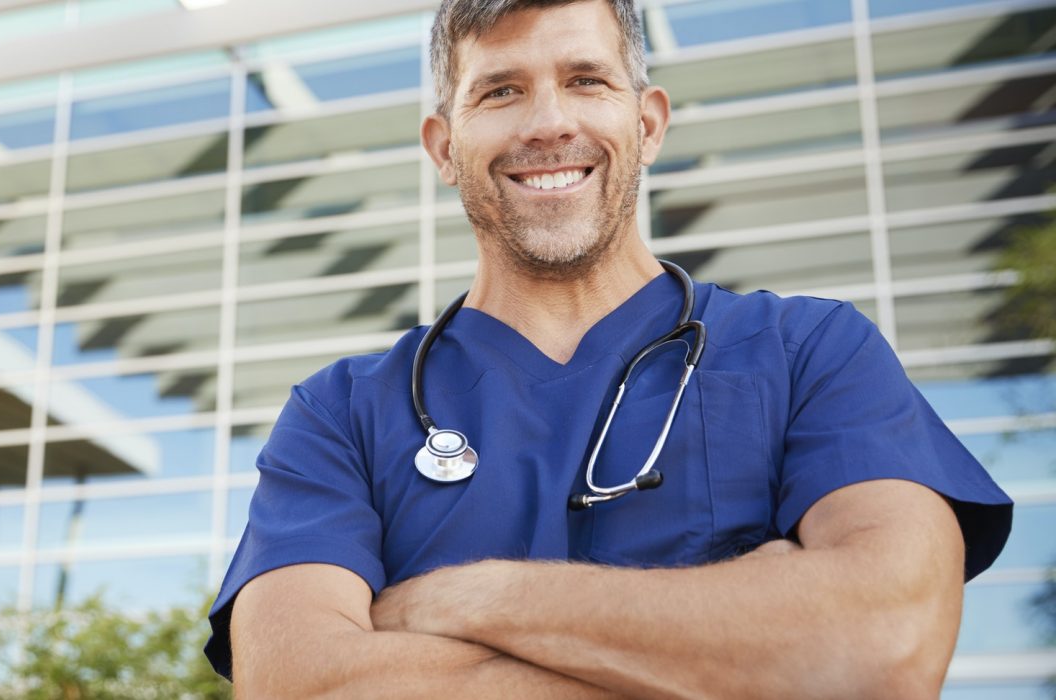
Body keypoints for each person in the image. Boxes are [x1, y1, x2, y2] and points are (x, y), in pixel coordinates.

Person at [205, 0, 1013, 696]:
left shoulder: (809, 353)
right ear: (444, 147)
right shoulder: (341, 415)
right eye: (500, 90)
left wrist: (468, 601)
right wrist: (739, 650)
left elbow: (878, 650)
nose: (549, 122)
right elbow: (295, 684)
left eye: (586, 80)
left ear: (648, 122)